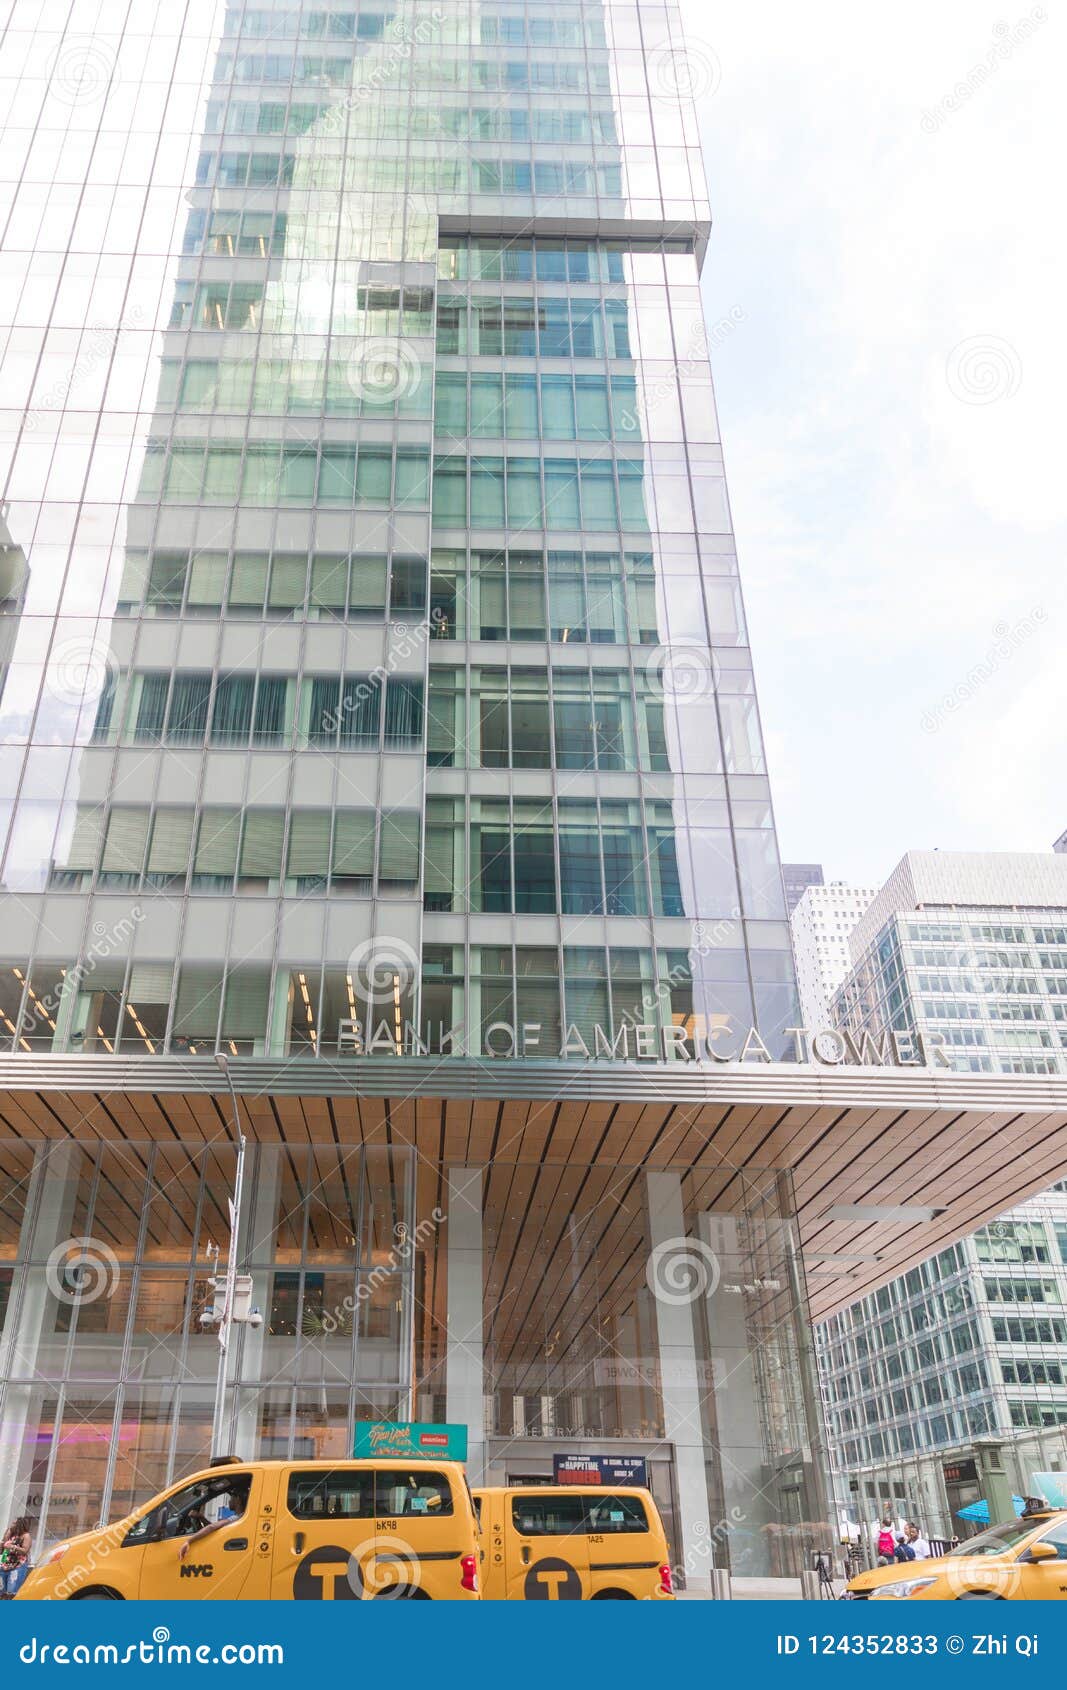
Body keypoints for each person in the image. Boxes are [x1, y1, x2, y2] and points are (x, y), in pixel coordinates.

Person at [177, 1481, 249, 1562]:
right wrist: (201, 1517)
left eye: (231, 1497)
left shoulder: (236, 1518)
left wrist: (188, 1541)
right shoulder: (241, 1516)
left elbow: (212, 1527)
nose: (229, 1501)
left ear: (238, 1499)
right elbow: (215, 1528)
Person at [0, 1517, 31, 1598]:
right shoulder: (10, 1535)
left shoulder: (26, 1536)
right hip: (5, 1566)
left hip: (17, 1567)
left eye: (14, 1523)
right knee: (2, 1592)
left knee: (11, 1593)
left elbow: (25, 1550)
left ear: (19, 1525)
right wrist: (5, 1537)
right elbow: (1, 1551)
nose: (11, 1525)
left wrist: (12, 1546)